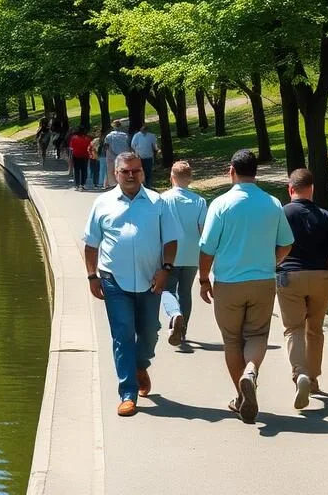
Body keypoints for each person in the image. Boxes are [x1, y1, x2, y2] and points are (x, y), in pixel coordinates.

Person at [83, 152, 182, 417]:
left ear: (142, 173)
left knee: (150, 332)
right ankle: (128, 393)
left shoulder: (157, 202)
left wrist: (166, 270)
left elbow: (171, 240)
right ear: (116, 173)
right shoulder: (102, 203)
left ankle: (140, 365)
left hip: (151, 281)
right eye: (125, 171)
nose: (130, 175)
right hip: (114, 280)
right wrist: (92, 276)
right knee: (122, 334)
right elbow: (91, 244)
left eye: (135, 171)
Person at [199, 150, 294, 423]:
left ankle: (241, 396)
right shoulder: (273, 203)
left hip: (229, 282)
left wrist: (204, 278)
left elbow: (207, 247)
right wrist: (270, 261)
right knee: (257, 334)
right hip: (262, 280)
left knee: (232, 340)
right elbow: (287, 242)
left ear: (231, 170)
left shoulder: (221, 204)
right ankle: (250, 371)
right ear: (256, 172)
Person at [278, 168, 328, 410]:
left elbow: (274, 246)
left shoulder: (282, 213)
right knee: (315, 329)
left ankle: (300, 374)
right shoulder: (325, 216)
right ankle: (314, 379)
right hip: (321, 277)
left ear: (290, 189)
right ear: (312, 189)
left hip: (289, 276)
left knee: (293, 328)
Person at [160, 161, 207, 351]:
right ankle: (183, 329)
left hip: (170, 253)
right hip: (191, 253)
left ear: (172, 177)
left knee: (166, 289)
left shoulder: (163, 199)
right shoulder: (199, 201)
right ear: (190, 179)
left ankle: (174, 314)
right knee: (185, 291)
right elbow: (203, 229)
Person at [103, 120, 130, 189]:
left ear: (113, 126)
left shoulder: (109, 136)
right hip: (122, 156)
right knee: (122, 170)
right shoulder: (125, 135)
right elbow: (128, 146)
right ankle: (121, 183)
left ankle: (112, 184)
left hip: (111, 156)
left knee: (111, 170)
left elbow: (106, 146)